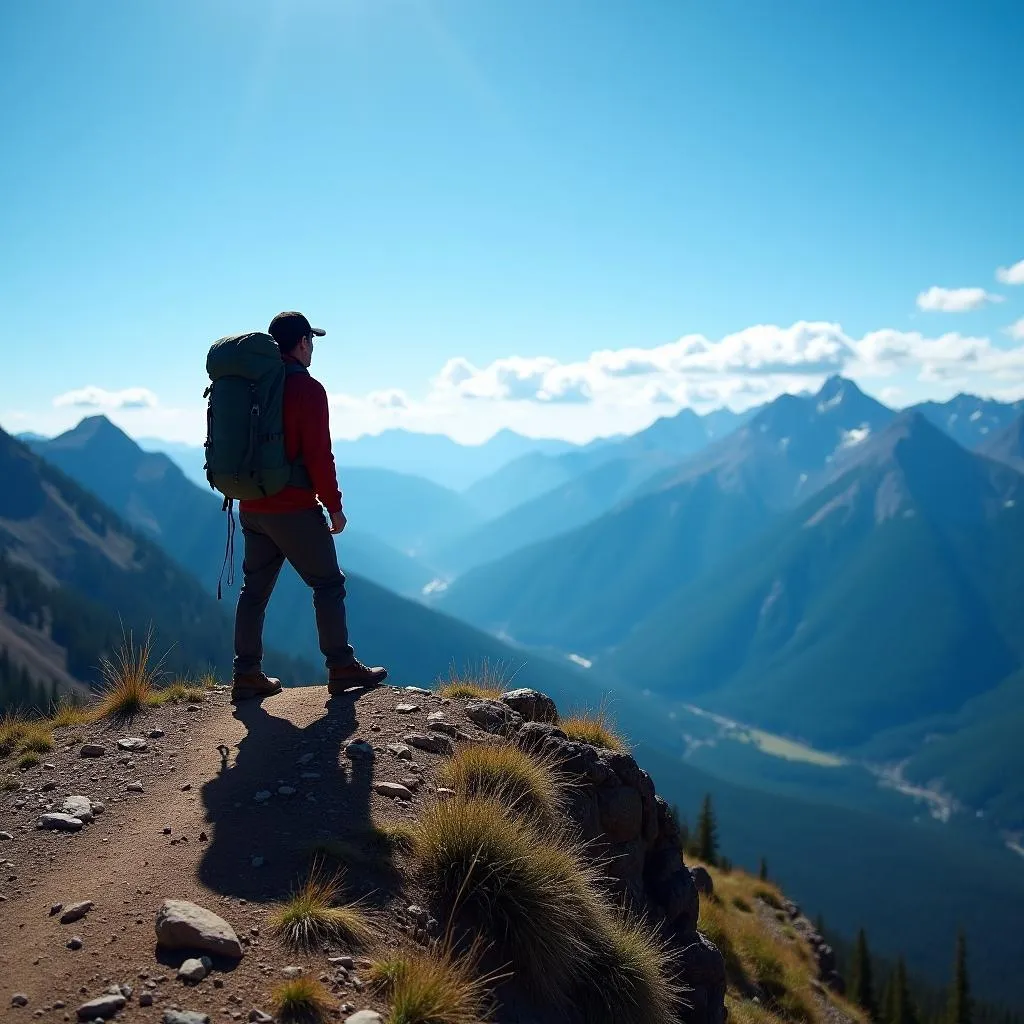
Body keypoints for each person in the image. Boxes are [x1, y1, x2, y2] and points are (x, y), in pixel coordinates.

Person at [230, 310, 388, 701]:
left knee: (254, 590)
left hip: (251, 505)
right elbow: (319, 455)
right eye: (311, 341)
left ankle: (246, 673)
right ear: (301, 343)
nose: (313, 348)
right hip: (293, 507)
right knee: (329, 584)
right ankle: (340, 666)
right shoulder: (307, 389)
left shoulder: (252, 386)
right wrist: (334, 505)